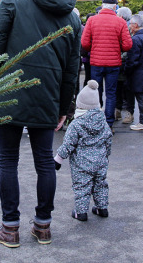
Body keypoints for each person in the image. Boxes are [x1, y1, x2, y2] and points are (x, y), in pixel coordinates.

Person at [0, 0, 81, 248]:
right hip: (48, 95)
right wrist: (65, 108)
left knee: (8, 162)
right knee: (45, 163)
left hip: (8, 91)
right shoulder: (72, 15)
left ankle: (9, 228)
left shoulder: (13, 0)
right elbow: (72, 69)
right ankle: (43, 227)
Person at [54, 80, 112, 221]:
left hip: (81, 164)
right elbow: (108, 139)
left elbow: (68, 144)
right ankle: (102, 208)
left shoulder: (76, 124)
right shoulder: (103, 121)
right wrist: (106, 154)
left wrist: (58, 159)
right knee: (100, 184)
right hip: (100, 161)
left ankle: (81, 212)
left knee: (82, 187)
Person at [81, 0, 133, 129]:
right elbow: (127, 45)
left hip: (96, 62)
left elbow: (84, 43)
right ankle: (108, 123)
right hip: (113, 63)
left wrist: (94, 48)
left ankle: (96, 122)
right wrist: (117, 48)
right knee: (111, 93)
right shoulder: (120, 22)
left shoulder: (92, 20)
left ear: (102, 5)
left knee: (95, 92)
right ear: (115, 7)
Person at [125, 17, 143, 131]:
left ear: (136, 25)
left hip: (138, 72)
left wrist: (127, 70)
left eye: (131, 24)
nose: (129, 26)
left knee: (141, 97)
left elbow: (132, 60)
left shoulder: (136, 39)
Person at [115, 6, 133, 123]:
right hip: (127, 62)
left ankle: (118, 111)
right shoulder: (131, 27)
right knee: (127, 89)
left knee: (118, 88)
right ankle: (128, 113)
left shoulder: (122, 26)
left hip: (120, 61)